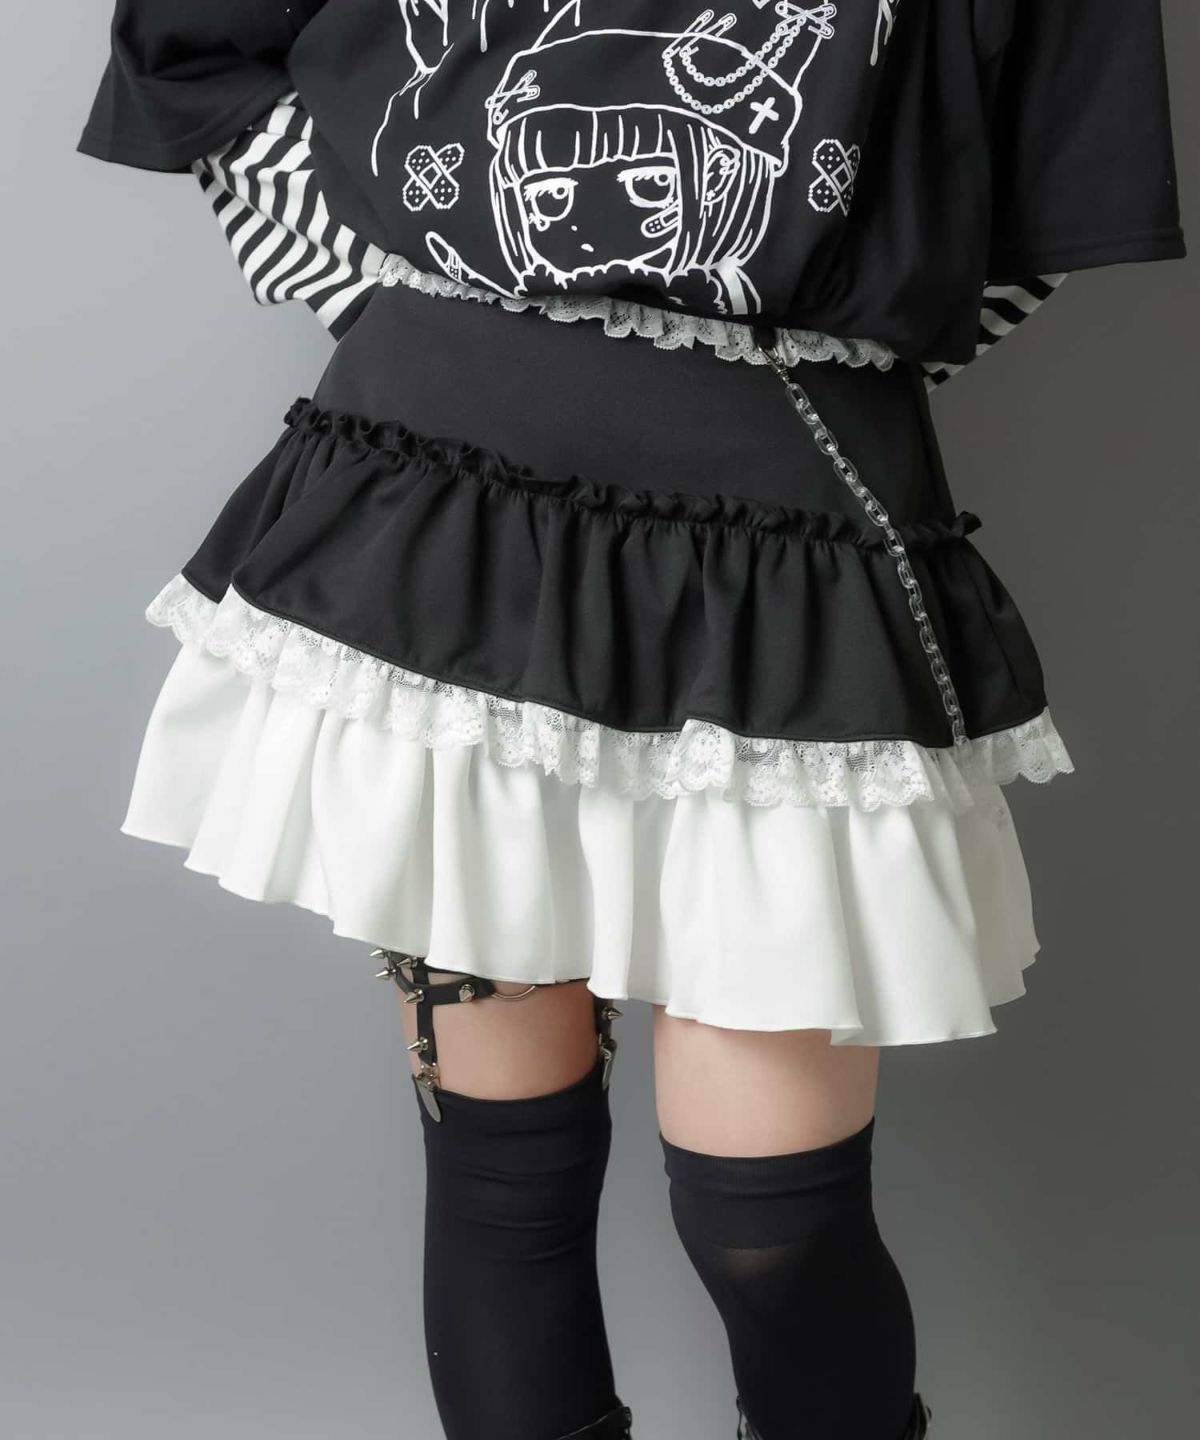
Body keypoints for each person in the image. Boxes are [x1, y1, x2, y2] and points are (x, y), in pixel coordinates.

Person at [76, 4, 1186, 1438]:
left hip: (791, 537)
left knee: (768, 1222)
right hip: (451, 506)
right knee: (506, 1176)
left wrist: (817, 311)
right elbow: (191, 40)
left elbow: (1036, 185)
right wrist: (415, 283)